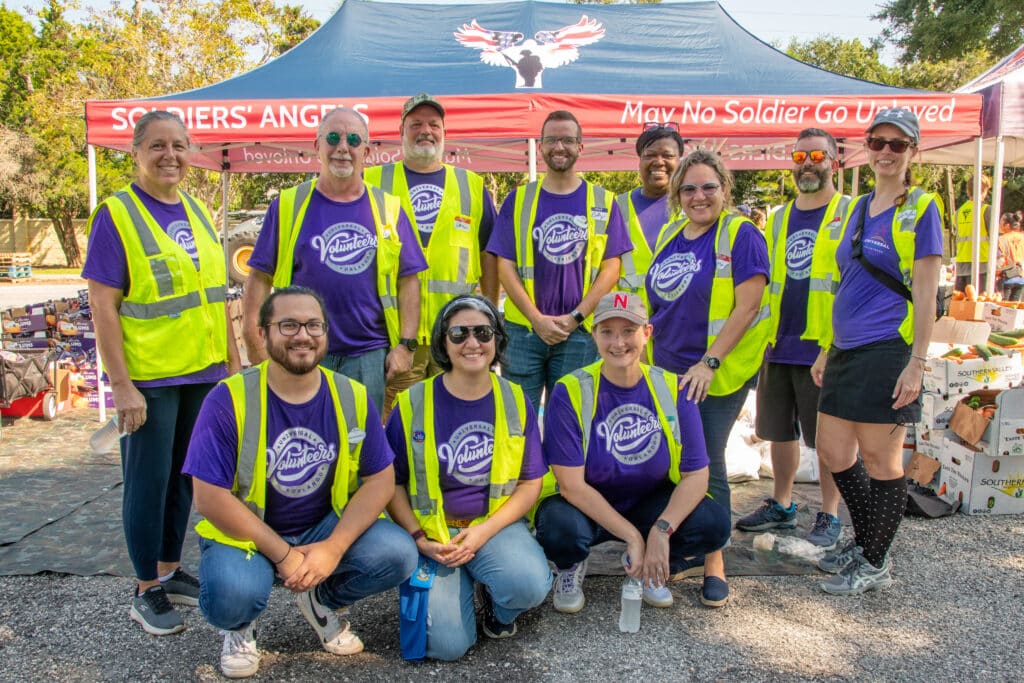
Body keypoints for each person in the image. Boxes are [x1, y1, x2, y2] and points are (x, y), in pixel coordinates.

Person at [183, 286, 418, 678]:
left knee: (398, 553)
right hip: (248, 533)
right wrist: (283, 554)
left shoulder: (351, 395)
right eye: (288, 325)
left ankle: (320, 599)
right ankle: (241, 627)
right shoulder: (228, 398)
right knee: (232, 597)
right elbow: (208, 498)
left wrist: (333, 548)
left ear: (326, 333)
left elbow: (380, 479)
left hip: (321, 525)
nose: (303, 335)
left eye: (313, 325)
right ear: (262, 334)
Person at [83, 110, 240, 636]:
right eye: (157, 146)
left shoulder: (195, 209)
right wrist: (121, 385)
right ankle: (145, 588)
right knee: (147, 483)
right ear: (136, 153)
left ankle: (170, 570)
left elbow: (215, 296)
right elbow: (103, 307)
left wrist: (233, 363)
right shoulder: (117, 214)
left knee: (186, 479)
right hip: (150, 378)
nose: (170, 155)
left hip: (203, 371)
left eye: (178, 145)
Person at [808, 108, 942, 595]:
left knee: (883, 462)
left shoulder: (922, 207)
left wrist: (918, 362)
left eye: (897, 144)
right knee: (832, 450)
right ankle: (866, 540)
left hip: (888, 349)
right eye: (878, 142)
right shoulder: (858, 207)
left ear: (913, 152)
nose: (885, 152)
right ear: (867, 147)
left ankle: (875, 560)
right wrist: (826, 347)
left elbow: (926, 292)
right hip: (844, 350)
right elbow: (844, 281)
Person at [534, 292, 732, 610]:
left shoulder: (674, 389)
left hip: (649, 501)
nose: (618, 342)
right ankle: (571, 565)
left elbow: (697, 474)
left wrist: (661, 530)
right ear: (593, 335)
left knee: (714, 524)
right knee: (559, 530)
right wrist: (632, 536)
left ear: (647, 333)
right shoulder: (569, 390)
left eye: (628, 331)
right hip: (588, 504)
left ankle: (650, 566)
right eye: (607, 331)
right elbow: (571, 485)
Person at [385, 295, 551, 661]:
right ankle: (459, 584)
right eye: (458, 333)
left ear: (497, 340)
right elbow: (391, 483)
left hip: (492, 529)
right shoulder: (412, 402)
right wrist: (418, 538)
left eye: (482, 332)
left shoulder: (516, 399)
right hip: (435, 536)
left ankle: (495, 604)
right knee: (447, 647)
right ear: (443, 342)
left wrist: (483, 533)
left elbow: (530, 483)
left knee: (527, 585)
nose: (472, 343)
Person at [242, 106, 427, 413]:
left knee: (361, 449)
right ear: (317, 146)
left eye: (354, 140)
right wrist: (255, 342)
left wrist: (406, 346)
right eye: (333, 137)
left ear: (365, 152)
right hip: (300, 349)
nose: (343, 147)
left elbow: (409, 281)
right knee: (306, 440)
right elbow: (260, 278)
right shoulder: (288, 205)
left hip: (368, 355)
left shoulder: (389, 208)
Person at [736, 129, 849, 549]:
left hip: (824, 346)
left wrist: (832, 345)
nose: (807, 163)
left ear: (835, 161)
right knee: (777, 431)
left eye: (817, 155)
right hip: (778, 344)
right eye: (800, 155)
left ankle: (829, 513)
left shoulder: (850, 212)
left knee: (828, 440)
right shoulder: (780, 216)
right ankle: (783, 505)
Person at [646, 149, 771, 521]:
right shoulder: (670, 232)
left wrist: (709, 362)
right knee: (677, 458)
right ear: (676, 195)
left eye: (708, 187)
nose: (698, 196)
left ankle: (715, 558)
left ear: (724, 189)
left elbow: (747, 307)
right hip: (668, 367)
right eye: (688, 189)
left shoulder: (741, 234)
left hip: (714, 373)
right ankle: (681, 534)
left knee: (708, 460)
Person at [364, 93, 498, 417]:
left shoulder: (472, 185)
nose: (426, 131)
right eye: (416, 124)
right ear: (401, 131)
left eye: (433, 125)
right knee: (394, 425)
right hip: (394, 339)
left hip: (456, 335)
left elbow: (489, 254)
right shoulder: (371, 181)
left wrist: (489, 316)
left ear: (444, 133)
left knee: (454, 420)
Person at [486, 110, 631, 410]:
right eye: (551, 140)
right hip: (523, 331)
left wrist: (575, 316)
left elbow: (611, 267)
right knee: (517, 417)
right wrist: (536, 320)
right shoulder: (519, 199)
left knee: (569, 419)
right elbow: (505, 265)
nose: (559, 147)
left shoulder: (604, 201)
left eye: (567, 139)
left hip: (578, 332)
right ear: (540, 147)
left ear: (580, 146)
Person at [615, 123, 684, 316]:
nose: (659, 162)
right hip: (630, 328)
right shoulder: (616, 208)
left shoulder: (693, 208)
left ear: (680, 161)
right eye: (650, 155)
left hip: (679, 326)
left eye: (668, 156)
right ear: (639, 160)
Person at [953, 174, 992, 292]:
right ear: (985, 190)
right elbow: (995, 238)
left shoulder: (958, 212)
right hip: (981, 265)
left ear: (968, 190)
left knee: (961, 306)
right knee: (980, 305)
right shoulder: (986, 210)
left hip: (961, 265)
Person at [996, 212, 1024, 301]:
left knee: (1003, 308)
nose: (999, 226)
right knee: (1014, 308)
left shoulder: (1001, 239)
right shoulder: (1022, 237)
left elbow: (999, 261)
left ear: (1007, 225)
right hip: (1020, 278)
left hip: (1006, 278)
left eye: (1001, 223)